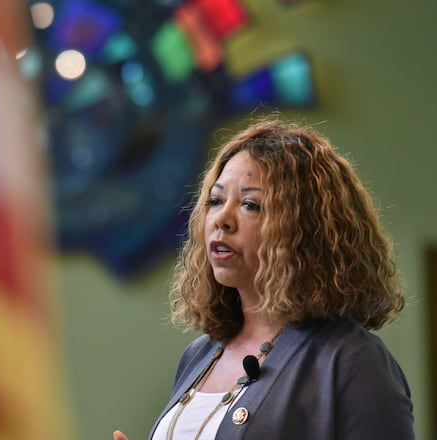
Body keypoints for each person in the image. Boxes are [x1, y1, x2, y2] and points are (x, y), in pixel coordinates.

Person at [113, 116, 414, 439]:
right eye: (215, 200)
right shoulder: (200, 355)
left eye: (250, 204)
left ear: (305, 230)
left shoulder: (352, 360)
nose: (222, 220)